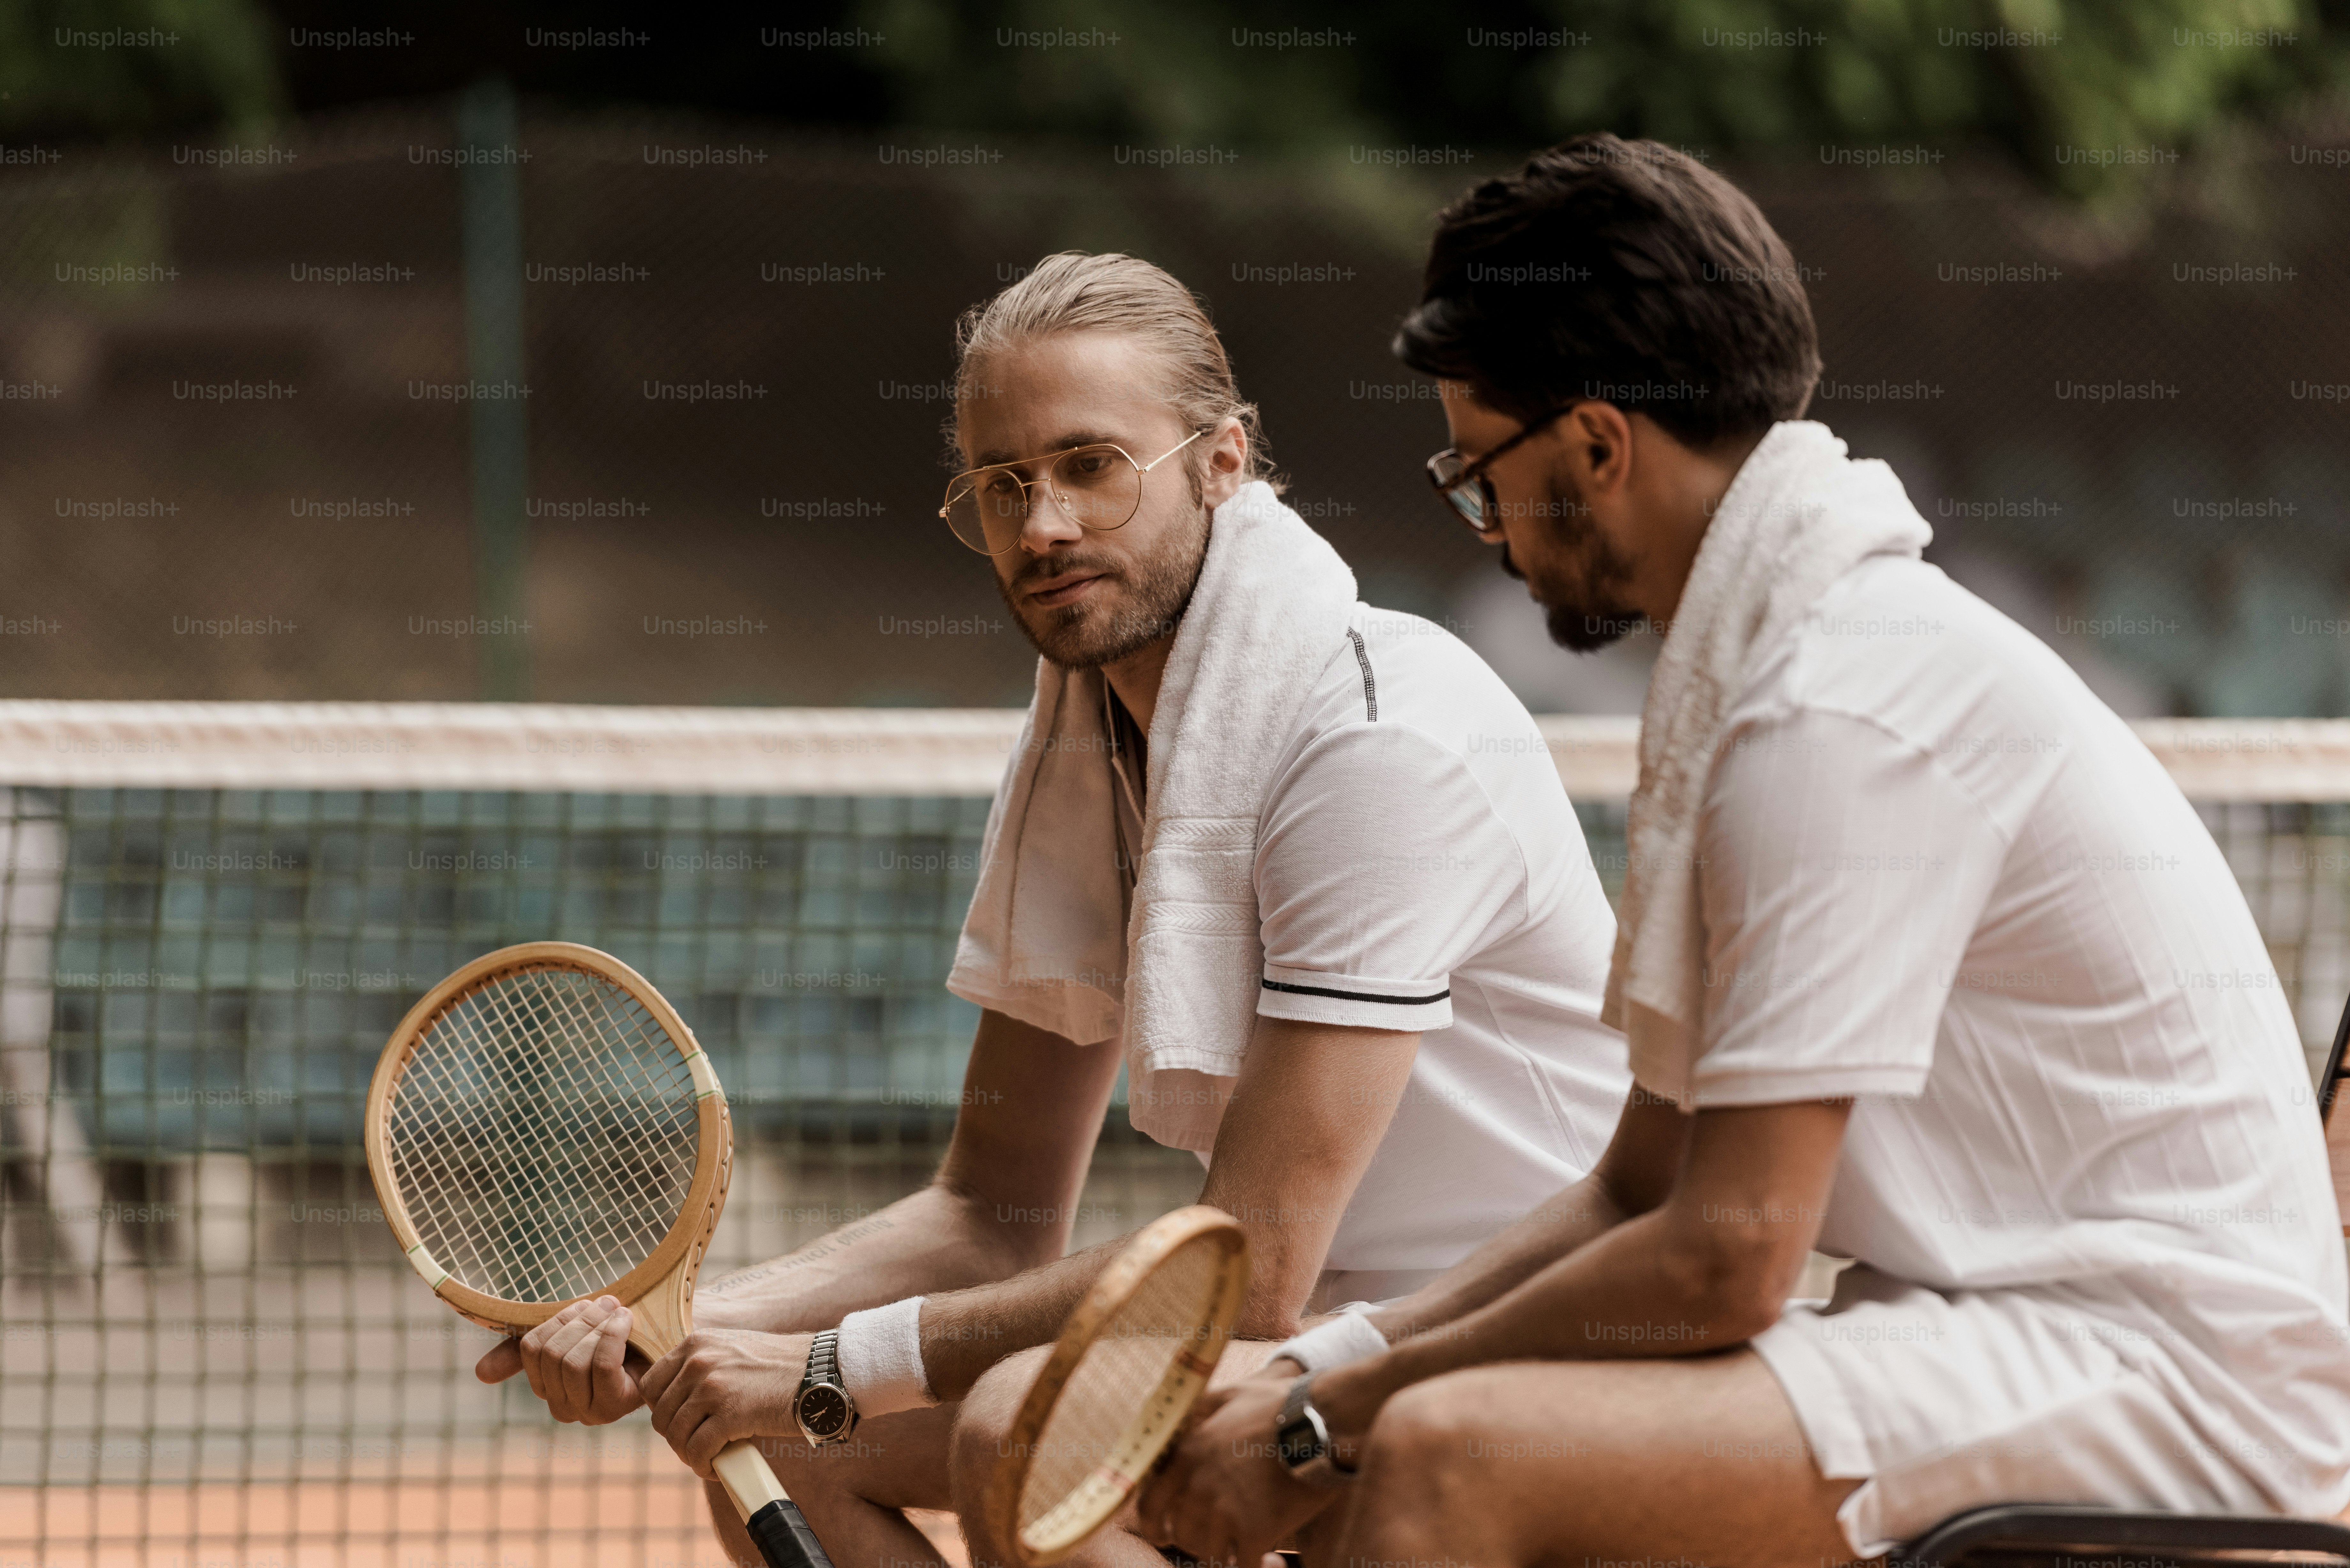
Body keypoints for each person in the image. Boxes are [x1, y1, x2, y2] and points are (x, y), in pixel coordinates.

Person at [1131, 133, 2350, 1568]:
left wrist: (1324, 1418)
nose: (1493, 534)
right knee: (1391, 1426)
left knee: (1447, 1461)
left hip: (2171, 1387)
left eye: (1481, 475)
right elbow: (1633, 1190)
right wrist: (1320, 1370)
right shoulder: (1787, 660)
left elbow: (1724, 1261)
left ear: (1596, 444)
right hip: (1997, 1328)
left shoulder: (1834, 706)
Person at [475, 250, 1632, 1568]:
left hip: (1503, 1352)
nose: (1044, 528)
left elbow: (1251, 1270)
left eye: (1093, 466)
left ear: (1224, 462)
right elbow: (990, 1211)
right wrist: (680, 1336)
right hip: (1298, 1346)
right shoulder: (1093, 758)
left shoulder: (1370, 740)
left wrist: (822, 1359)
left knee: (1020, 1445)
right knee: (788, 1438)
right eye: (1004, 484)